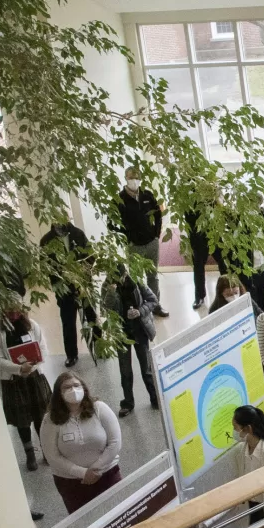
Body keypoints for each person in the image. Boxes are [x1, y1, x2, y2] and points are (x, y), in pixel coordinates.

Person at [41, 372, 123, 513]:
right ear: (59, 394)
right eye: (66, 387)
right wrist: (83, 473)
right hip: (71, 482)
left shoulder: (99, 408)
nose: (73, 390)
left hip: (107, 473)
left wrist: (96, 469)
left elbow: (115, 442)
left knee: (120, 516)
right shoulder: (50, 420)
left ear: (84, 388)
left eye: (76, 385)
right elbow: (52, 456)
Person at [0, 301, 52, 470]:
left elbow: (43, 349)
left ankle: (46, 450)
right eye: (9, 308)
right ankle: (29, 452)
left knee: (41, 415)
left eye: (16, 308)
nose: (13, 312)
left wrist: (33, 366)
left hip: (34, 377)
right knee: (22, 420)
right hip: (13, 381)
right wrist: (18, 369)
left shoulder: (32, 326)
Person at [112, 165, 169, 315]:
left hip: (151, 243)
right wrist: (127, 239)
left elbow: (158, 215)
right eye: (131, 177)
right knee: (136, 278)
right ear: (126, 178)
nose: (134, 180)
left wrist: (156, 235)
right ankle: (140, 306)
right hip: (134, 246)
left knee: (153, 277)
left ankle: (155, 305)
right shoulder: (119, 199)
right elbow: (112, 223)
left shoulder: (147, 195)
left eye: (137, 177)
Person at [40, 219, 96, 368]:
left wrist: (83, 270)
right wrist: (61, 277)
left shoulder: (78, 233)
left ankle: (99, 347)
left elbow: (91, 255)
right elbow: (45, 266)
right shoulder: (46, 240)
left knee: (91, 316)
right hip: (63, 289)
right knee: (68, 322)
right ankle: (71, 355)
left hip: (83, 285)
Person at [105, 271, 161, 415]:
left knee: (146, 369)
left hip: (139, 331)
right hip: (121, 333)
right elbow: (105, 308)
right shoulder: (108, 286)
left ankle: (155, 398)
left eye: (122, 277)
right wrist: (111, 292)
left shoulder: (137, 282)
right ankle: (128, 403)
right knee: (125, 370)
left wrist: (140, 311)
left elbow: (153, 300)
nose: (120, 281)